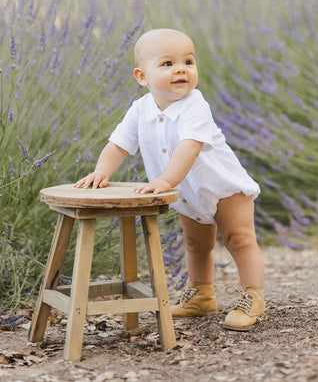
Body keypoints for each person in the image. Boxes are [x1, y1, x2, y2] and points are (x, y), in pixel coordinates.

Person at [74, 28, 265, 330]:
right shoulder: (139, 109)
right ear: (142, 77)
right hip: (188, 191)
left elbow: (189, 147)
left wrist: (164, 181)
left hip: (223, 186)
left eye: (188, 62)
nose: (181, 69)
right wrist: (102, 171)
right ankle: (201, 296)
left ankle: (252, 296)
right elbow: (118, 144)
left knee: (239, 239)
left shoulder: (195, 105)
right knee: (194, 244)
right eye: (167, 64)